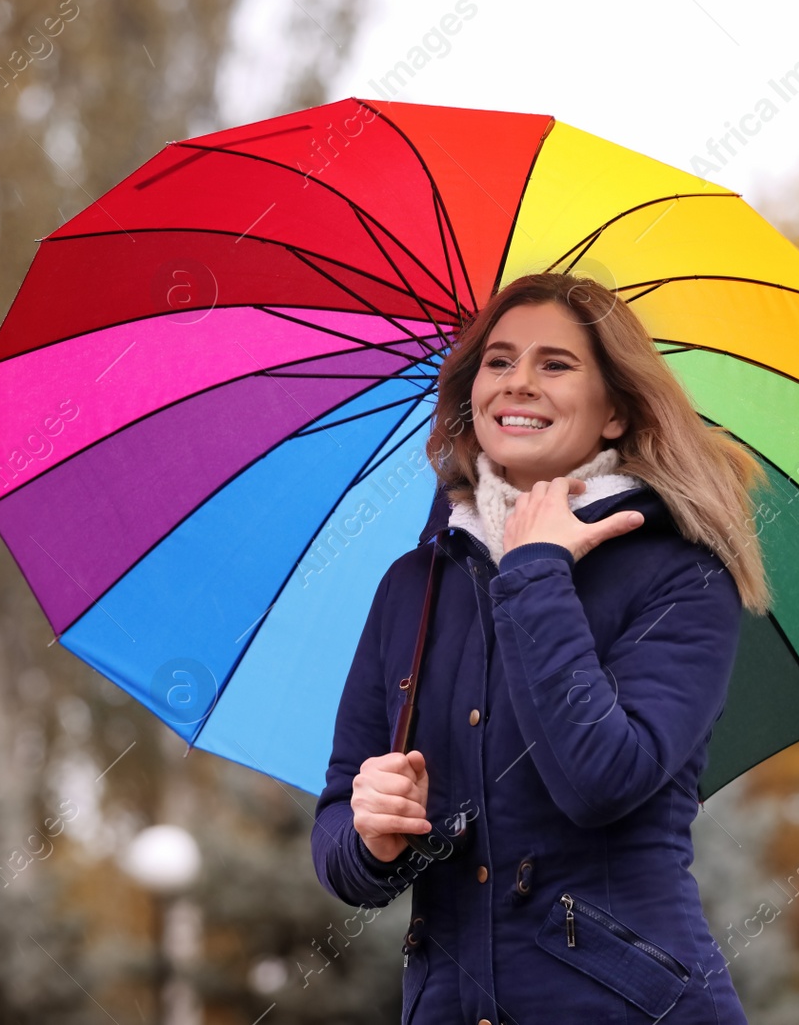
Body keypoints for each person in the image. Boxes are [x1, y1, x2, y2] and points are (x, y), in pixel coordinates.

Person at [310, 271, 773, 1024]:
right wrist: (369, 835)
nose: (518, 382)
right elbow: (338, 834)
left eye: (555, 364)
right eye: (498, 361)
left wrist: (534, 570)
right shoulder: (413, 585)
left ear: (615, 410)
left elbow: (601, 779)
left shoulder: (683, 574)